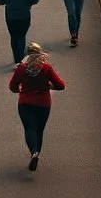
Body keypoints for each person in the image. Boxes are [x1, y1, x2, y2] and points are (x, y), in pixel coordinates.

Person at [9, 42, 65, 170]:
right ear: (40, 54)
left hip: (25, 103)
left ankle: (33, 153)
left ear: (27, 55)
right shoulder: (46, 68)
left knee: (29, 128)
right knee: (39, 131)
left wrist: (21, 91)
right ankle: (37, 153)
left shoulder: (21, 69)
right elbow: (61, 85)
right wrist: (50, 86)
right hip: (43, 104)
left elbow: (12, 87)